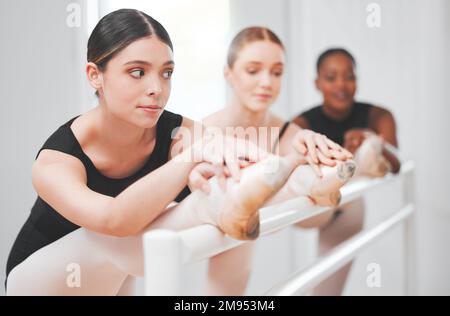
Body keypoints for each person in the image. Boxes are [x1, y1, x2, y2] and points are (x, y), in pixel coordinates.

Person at [200, 28, 354, 295]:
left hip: (327, 215)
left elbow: (314, 211)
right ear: (229, 73)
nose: (266, 82)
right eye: (253, 70)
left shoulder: (291, 134)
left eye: (276, 72)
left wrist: (315, 156)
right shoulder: (203, 132)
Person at [293, 47, 401, 295]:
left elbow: (397, 165)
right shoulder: (302, 124)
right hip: (312, 206)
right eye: (331, 77)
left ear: (356, 80)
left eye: (349, 76)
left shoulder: (378, 115)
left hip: (348, 206)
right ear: (317, 83)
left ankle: (361, 158)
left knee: (326, 290)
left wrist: (371, 139)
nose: (341, 84)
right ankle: (349, 166)